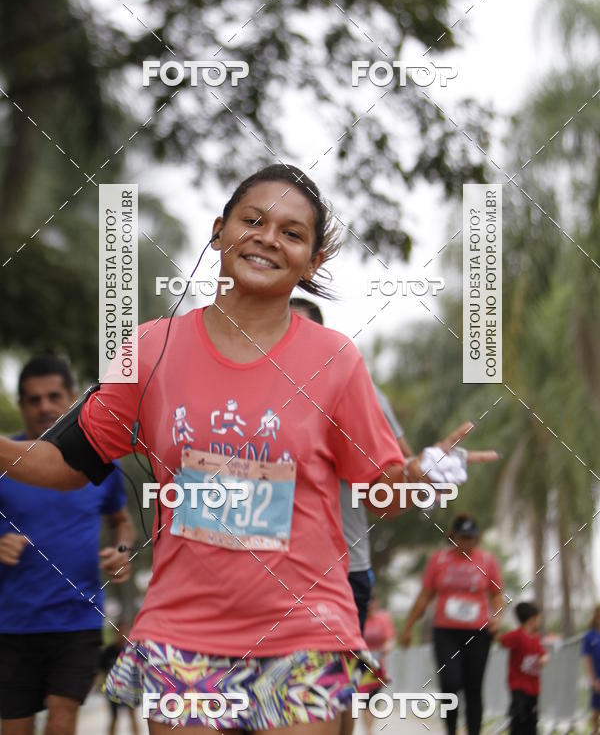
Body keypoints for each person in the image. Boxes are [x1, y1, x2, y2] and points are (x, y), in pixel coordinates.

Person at [0, 165, 497, 733]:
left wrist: (419, 474)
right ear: (218, 232)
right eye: (253, 220)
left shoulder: (336, 359)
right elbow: (65, 463)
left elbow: (379, 494)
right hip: (182, 634)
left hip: (306, 631)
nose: (267, 237)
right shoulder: (150, 347)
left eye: (292, 232)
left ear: (311, 262)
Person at [0, 355, 135, 735]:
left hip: (77, 620)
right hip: (11, 623)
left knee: (63, 717)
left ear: (73, 397)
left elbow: (121, 522)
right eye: (33, 399)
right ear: (22, 403)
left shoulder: (99, 463)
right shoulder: (3, 458)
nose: (44, 406)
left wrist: (122, 553)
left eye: (53, 396)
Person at [289, 296, 413, 635]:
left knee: (333, 686)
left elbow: (396, 476)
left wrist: (426, 470)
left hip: (343, 572)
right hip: (267, 572)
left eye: (304, 333)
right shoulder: (252, 390)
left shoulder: (356, 388)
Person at [400, 514, 504, 735]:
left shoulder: (487, 561)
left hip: (478, 632)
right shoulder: (438, 561)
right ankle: (451, 729)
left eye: (471, 538)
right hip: (446, 632)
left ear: (478, 539)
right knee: (450, 683)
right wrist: (408, 628)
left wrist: (498, 618)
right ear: (453, 537)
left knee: (473, 687)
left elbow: (497, 595)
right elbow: (424, 597)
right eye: (462, 537)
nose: (467, 542)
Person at [499, 602, 547, 735]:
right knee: (519, 717)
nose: (539, 622)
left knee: (532, 718)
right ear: (532, 619)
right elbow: (502, 640)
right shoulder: (517, 636)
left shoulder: (536, 638)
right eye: (538, 618)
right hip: (518, 686)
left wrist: (544, 659)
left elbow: (542, 653)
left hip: (534, 687)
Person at [99, 622, 141, 735]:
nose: (122, 634)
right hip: (113, 690)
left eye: (125, 632)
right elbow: (101, 672)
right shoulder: (108, 651)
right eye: (119, 632)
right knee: (114, 717)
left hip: (130, 690)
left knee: (132, 716)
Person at [363, 596, 395, 735]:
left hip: (378, 668)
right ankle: (368, 731)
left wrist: (386, 648)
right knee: (364, 701)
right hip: (361, 667)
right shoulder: (359, 619)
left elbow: (390, 639)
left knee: (374, 700)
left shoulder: (382, 619)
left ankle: (370, 729)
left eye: (372, 601)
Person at [582, 605, 600, 735]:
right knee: (596, 708)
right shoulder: (589, 636)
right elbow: (587, 660)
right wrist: (593, 679)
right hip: (597, 678)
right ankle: (594, 729)